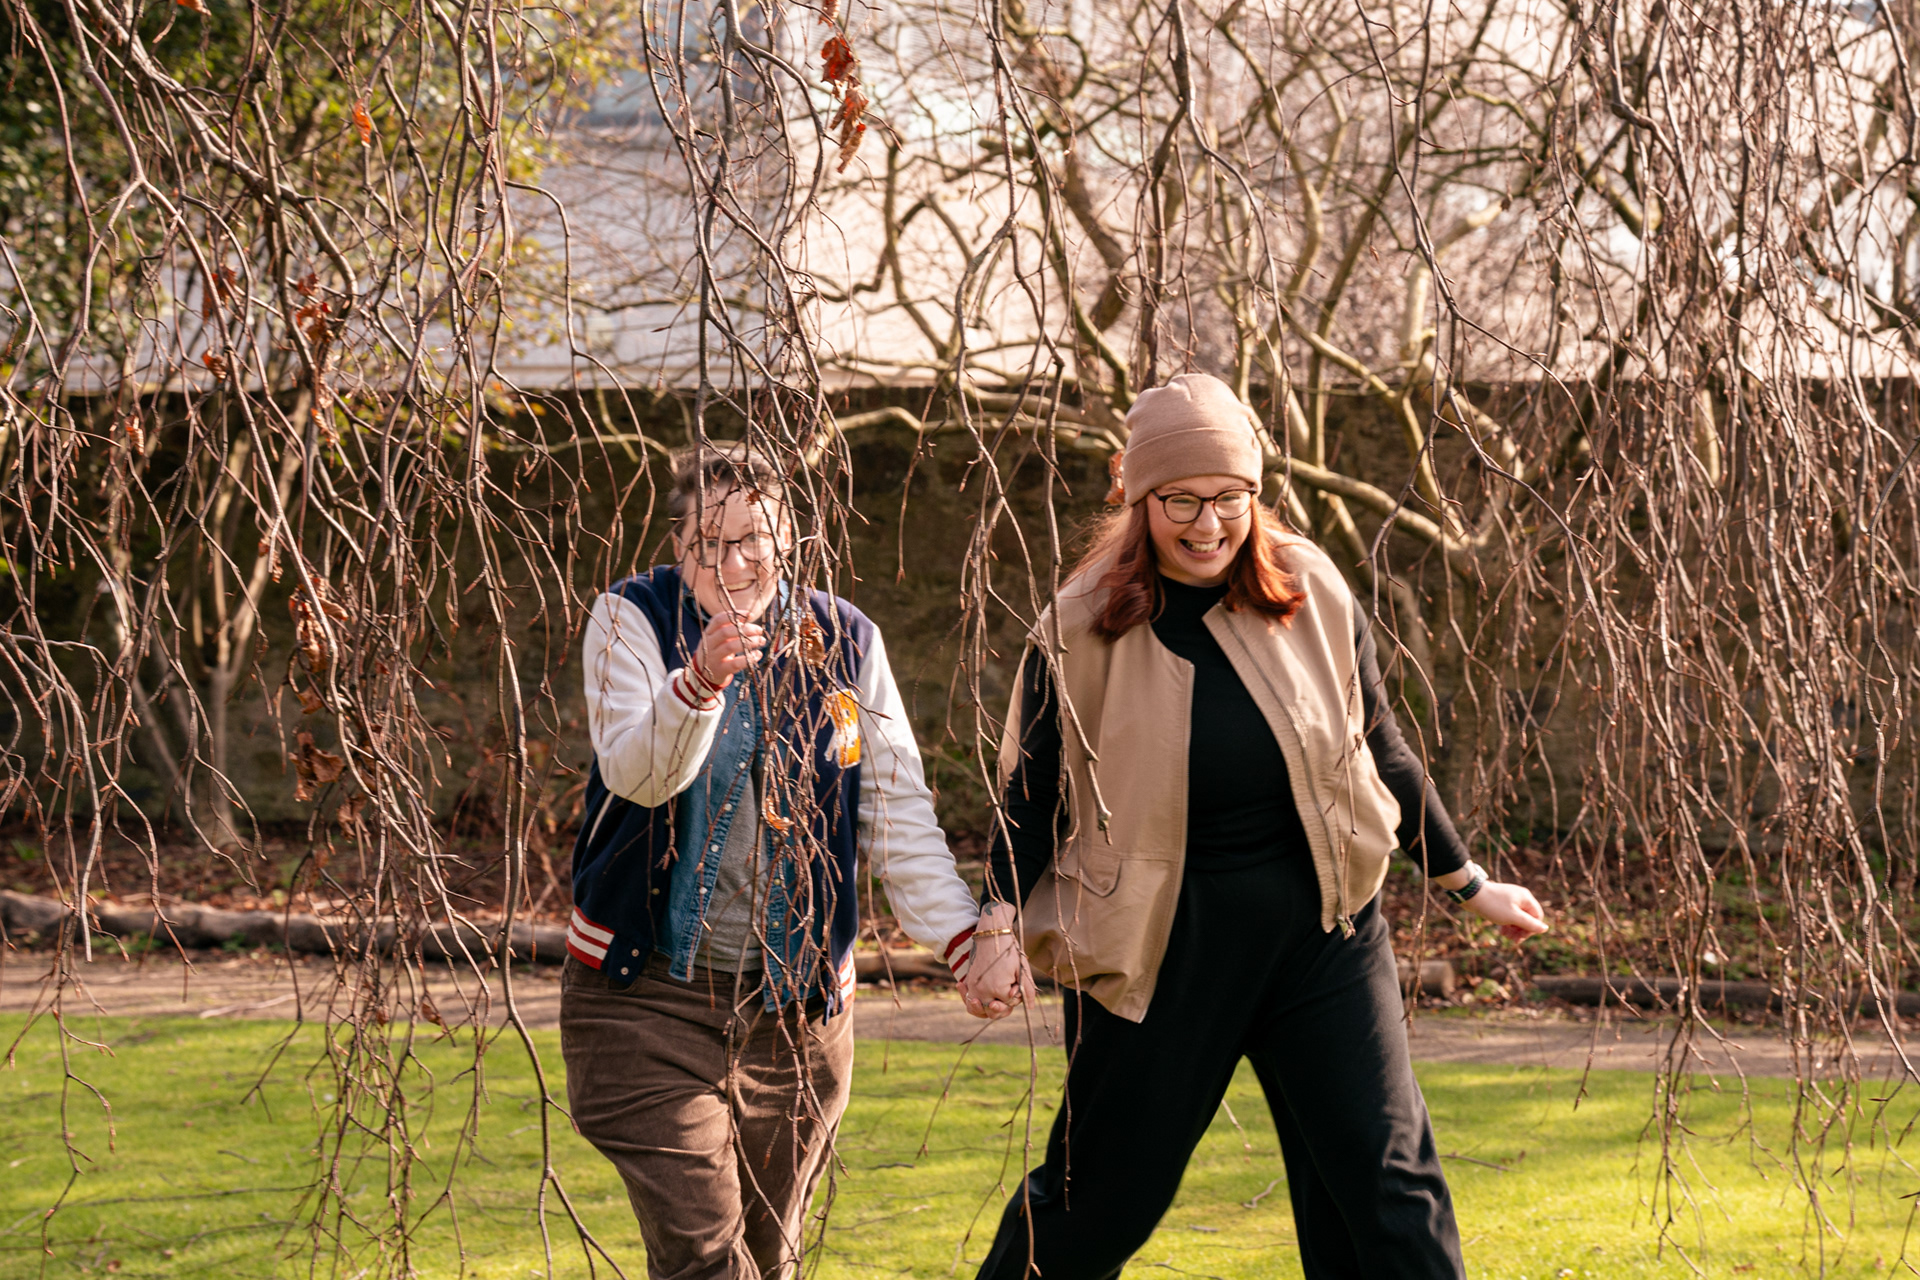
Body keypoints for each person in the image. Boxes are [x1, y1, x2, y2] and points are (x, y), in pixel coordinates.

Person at [960, 374, 1550, 1280]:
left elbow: (1379, 745)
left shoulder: (1309, 587)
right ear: (1137, 496)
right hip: (1160, 953)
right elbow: (1030, 796)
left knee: (1387, 1187)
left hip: (1324, 937)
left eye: (1230, 497)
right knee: (1100, 1199)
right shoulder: (1078, 628)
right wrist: (998, 922)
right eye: (1182, 501)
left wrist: (1470, 883)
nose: (1209, 525)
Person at [562, 441, 1001, 1279]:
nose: (733, 564)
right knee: (706, 1260)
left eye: (752, 540)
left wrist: (959, 937)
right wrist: (699, 681)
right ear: (677, 542)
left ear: (788, 538)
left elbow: (893, 809)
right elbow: (637, 775)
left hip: (798, 1018)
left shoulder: (845, 639)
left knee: (770, 1258)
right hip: (646, 1001)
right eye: (707, 544)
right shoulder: (631, 618)